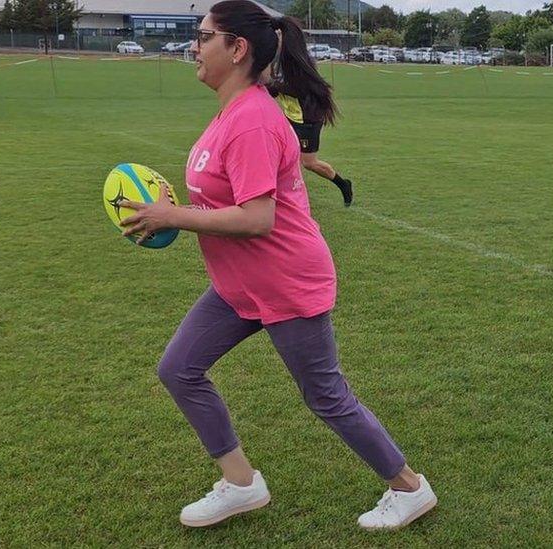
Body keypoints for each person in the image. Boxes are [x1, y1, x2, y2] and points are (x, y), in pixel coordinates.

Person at [117, 0, 436, 531]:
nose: (193, 47)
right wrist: (172, 211)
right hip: (240, 283)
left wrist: (174, 214)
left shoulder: (253, 121)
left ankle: (409, 488)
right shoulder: (233, 110)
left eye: (204, 36)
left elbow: (258, 218)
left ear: (237, 48)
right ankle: (242, 483)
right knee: (179, 368)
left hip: (286, 280)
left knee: (326, 397)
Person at [263, 29, 354, 207]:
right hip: (289, 117)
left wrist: (272, 85)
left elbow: (299, 88)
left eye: (279, 34)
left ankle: (343, 184)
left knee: (309, 163)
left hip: (307, 119)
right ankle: (275, 195)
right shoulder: (275, 60)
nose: (275, 38)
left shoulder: (300, 61)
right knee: (277, 153)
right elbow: (274, 90)